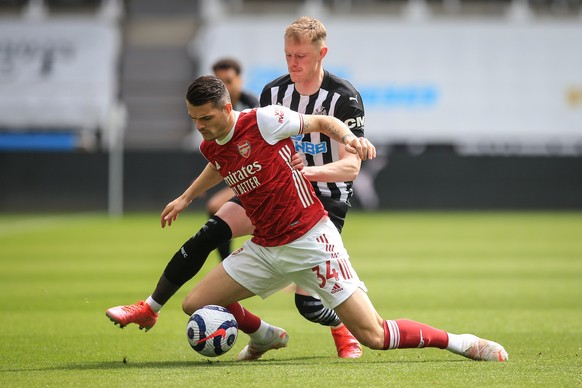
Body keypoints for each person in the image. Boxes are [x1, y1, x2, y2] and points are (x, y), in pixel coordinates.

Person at [168, 75, 508, 363]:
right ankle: (265, 335)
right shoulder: (210, 143)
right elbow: (219, 162)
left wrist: (349, 138)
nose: (199, 126)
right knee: (195, 303)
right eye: (193, 119)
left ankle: (460, 342)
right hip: (266, 248)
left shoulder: (264, 119)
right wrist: (186, 197)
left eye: (205, 118)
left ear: (226, 109)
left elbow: (322, 122)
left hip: (311, 241)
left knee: (374, 334)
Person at [106, 16, 370, 359]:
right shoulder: (273, 92)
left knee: (308, 305)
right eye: (288, 54)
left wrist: (310, 174)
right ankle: (153, 307)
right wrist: (188, 196)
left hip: (322, 198)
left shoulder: (344, 97)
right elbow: (233, 154)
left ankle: (342, 326)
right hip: (272, 189)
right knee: (209, 232)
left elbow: (352, 167)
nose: (293, 62)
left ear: (322, 54)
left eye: (301, 56)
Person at [207, 58, 259, 260]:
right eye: (218, 83)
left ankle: (228, 265)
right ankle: (228, 264)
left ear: (240, 80)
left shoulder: (253, 106)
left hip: (259, 172)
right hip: (241, 174)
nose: (224, 88)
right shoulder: (216, 110)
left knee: (216, 207)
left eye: (228, 81)